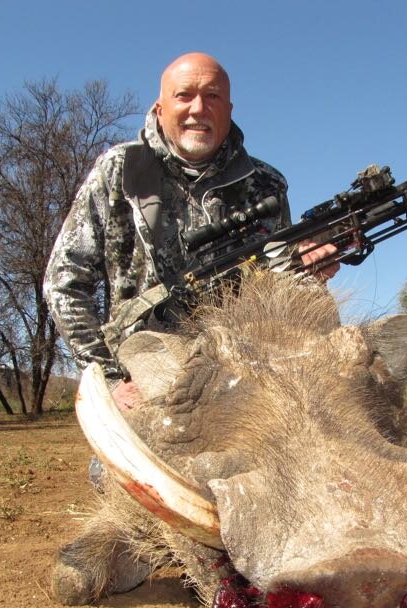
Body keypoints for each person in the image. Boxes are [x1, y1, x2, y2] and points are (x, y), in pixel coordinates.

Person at [44, 52, 337, 411]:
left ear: (228, 110)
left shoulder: (266, 184)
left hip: (238, 392)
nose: (199, 108)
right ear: (160, 107)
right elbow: (64, 281)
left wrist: (309, 275)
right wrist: (109, 379)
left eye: (212, 96)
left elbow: (276, 290)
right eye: (184, 95)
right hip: (142, 386)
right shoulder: (118, 170)